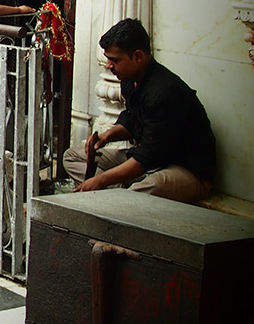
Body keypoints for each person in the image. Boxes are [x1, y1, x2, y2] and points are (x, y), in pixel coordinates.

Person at [63, 18, 217, 202]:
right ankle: (115, 197)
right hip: (150, 161)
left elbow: (146, 159)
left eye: (114, 60)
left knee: (145, 189)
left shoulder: (162, 93)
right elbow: (132, 120)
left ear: (138, 56)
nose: (108, 66)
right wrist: (107, 136)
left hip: (184, 169)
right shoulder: (130, 79)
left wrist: (101, 180)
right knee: (71, 157)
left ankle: (116, 198)